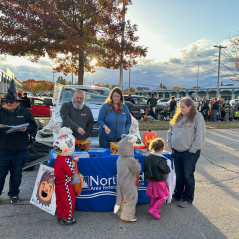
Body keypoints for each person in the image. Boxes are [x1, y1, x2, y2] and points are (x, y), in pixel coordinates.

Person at [0, 80, 37, 203]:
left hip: (19, 150)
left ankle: (14, 194)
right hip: (2, 150)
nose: (8, 103)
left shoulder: (26, 113)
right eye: (6, 101)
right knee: (1, 174)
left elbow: (34, 127)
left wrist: (26, 129)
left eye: (11, 101)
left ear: (17, 102)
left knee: (17, 174)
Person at [167, 97, 206, 208]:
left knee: (188, 176)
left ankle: (188, 198)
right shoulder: (178, 116)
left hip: (189, 152)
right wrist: (170, 142)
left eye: (183, 107)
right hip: (176, 151)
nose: (181, 109)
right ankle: (178, 194)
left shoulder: (197, 117)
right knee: (179, 175)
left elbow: (200, 135)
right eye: (180, 107)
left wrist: (193, 149)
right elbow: (170, 131)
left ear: (190, 107)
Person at [53, 133, 78, 225]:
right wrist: (73, 162)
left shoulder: (59, 157)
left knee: (60, 200)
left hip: (58, 182)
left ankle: (60, 216)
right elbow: (71, 172)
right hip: (64, 183)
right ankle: (67, 218)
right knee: (69, 200)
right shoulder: (65, 159)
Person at [143, 138, 171, 219]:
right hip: (159, 180)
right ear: (162, 148)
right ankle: (153, 209)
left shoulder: (147, 157)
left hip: (150, 179)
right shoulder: (162, 160)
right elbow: (166, 170)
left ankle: (152, 208)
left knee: (152, 195)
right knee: (165, 196)